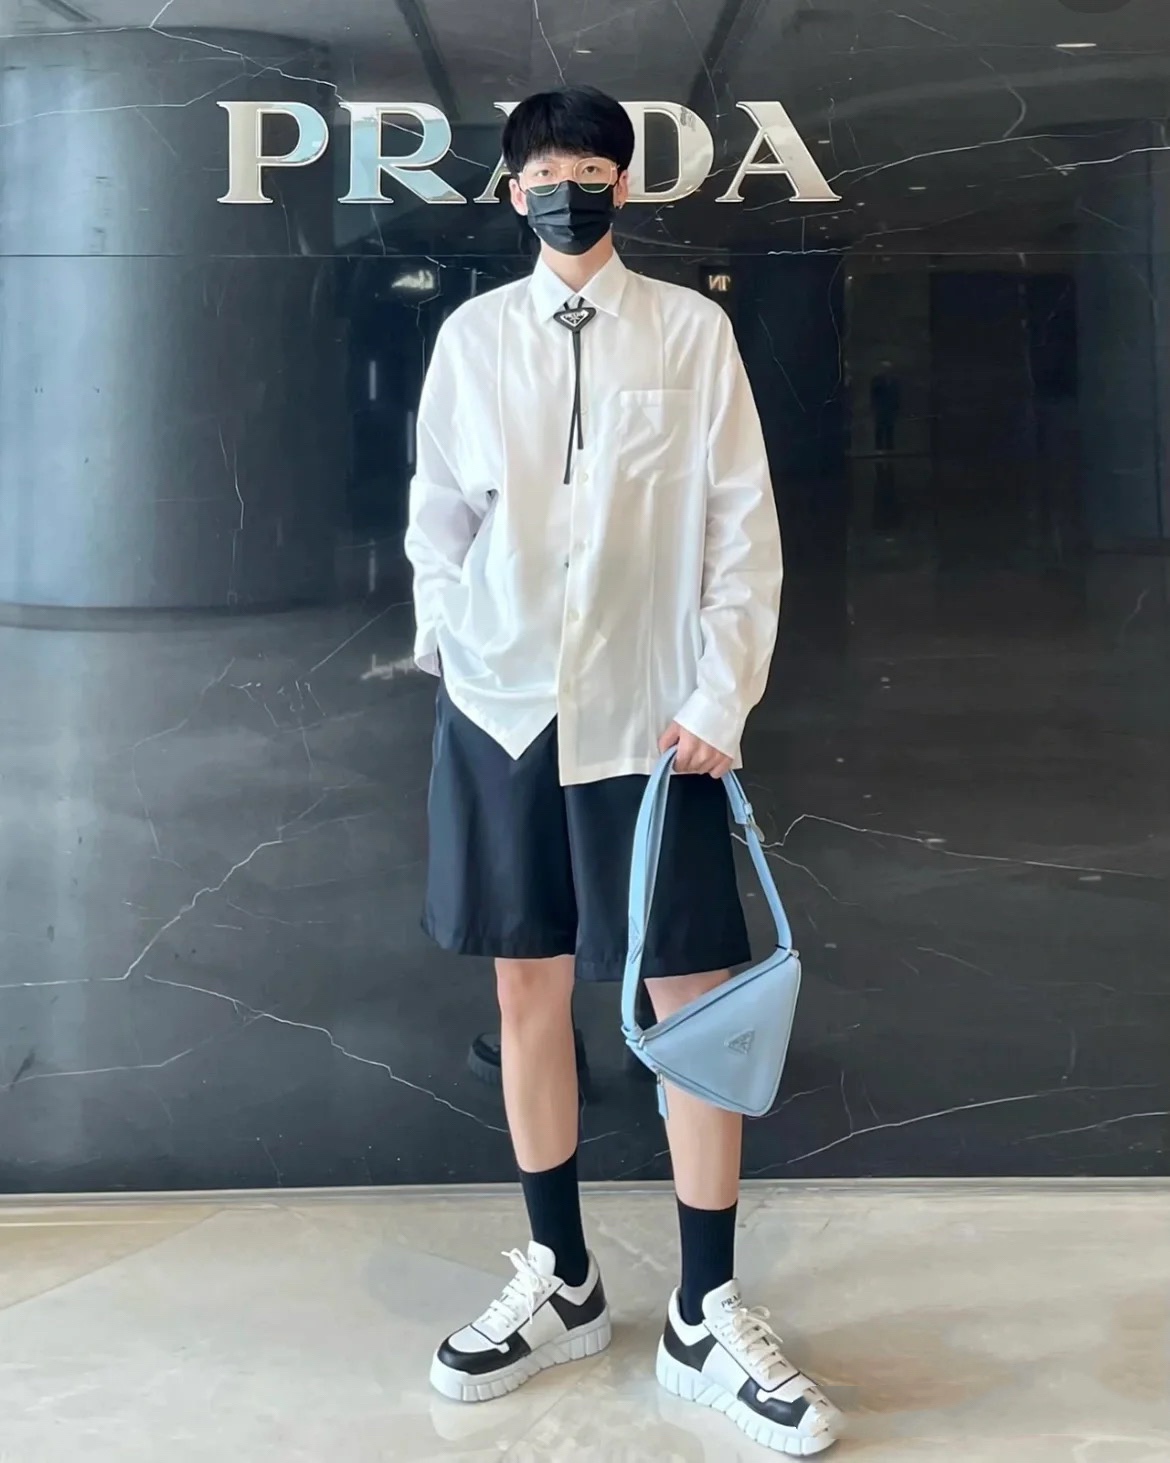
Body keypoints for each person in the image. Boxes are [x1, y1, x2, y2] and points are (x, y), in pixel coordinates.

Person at [405, 86, 843, 1457]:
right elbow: (437, 510)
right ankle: (563, 1280)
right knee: (524, 982)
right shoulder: (474, 337)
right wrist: (450, 635)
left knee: (693, 995)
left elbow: (742, 527)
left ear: (624, 185)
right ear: (508, 190)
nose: (566, 187)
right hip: (503, 713)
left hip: (655, 723)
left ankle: (704, 1311)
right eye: (543, 168)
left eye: (589, 167)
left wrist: (720, 693)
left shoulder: (690, 332)